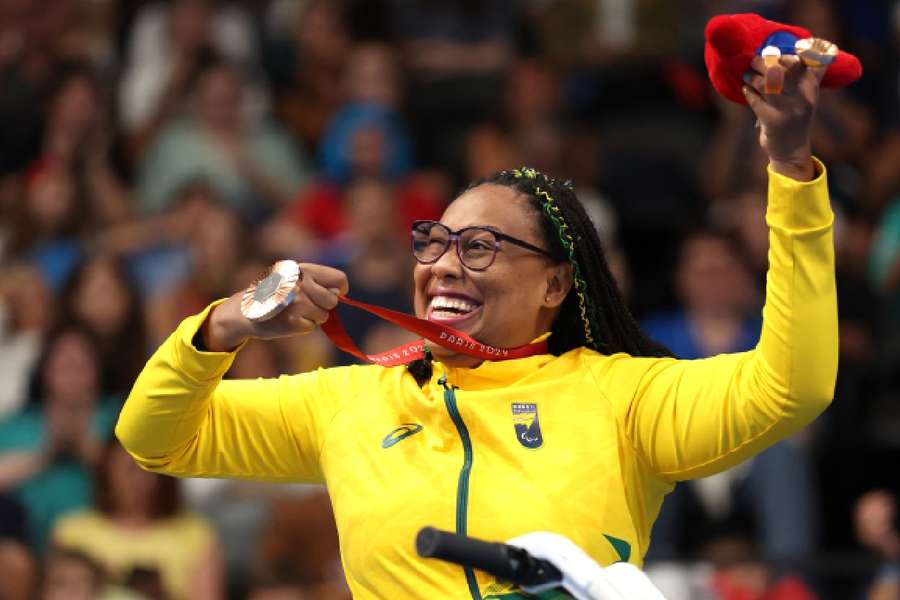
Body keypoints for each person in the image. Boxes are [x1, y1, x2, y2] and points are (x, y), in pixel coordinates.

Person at [116, 55, 838, 598]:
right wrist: (223, 325)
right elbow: (153, 437)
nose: (444, 266)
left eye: (481, 247)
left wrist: (792, 173)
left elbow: (790, 387)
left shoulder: (624, 399)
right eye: (434, 242)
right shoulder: (351, 403)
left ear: (556, 283)